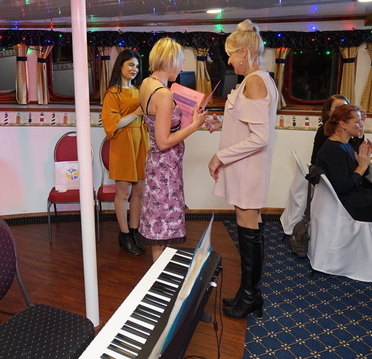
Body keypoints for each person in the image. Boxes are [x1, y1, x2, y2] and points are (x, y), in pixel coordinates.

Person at [206, 19, 277, 319]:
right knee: (251, 226)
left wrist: (219, 156)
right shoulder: (259, 79)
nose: (229, 62)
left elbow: (260, 137)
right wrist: (223, 122)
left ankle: (249, 296)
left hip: (247, 168)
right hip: (248, 167)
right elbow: (249, 122)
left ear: (244, 52)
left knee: (248, 228)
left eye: (232, 55)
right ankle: (250, 294)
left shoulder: (255, 81)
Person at [138, 38, 206, 262]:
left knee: (159, 225)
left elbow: (162, 126)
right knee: (162, 229)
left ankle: (159, 274)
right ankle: (159, 277)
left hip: (157, 165)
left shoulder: (147, 83)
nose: (182, 68)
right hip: (165, 169)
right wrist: (195, 125)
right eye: (181, 61)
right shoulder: (164, 94)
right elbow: (164, 141)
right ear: (169, 60)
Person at [315, 104, 372, 272]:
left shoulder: (344, 144)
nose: (361, 125)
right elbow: (344, 186)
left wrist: (363, 160)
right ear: (342, 124)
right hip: (348, 202)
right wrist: (362, 166)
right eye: (357, 122)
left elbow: (358, 174)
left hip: (353, 195)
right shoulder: (334, 150)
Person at [100, 50, 149, 255]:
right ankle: (124, 234)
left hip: (141, 142)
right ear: (120, 66)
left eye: (136, 66)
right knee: (123, 193)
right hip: (122, 144)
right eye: (130, 64)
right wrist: (136, 113)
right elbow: (112, 124)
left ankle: (135, 231)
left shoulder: (139, 91)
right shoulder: (113, 93)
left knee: (139, 190)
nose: (134, 69)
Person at [310, 94, 364, 165]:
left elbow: (353, 157)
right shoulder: (327, 133)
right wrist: (363, 166)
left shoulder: (345, 137)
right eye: (337, 107)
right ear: (328, 112)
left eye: (344, 107)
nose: (341, 111)